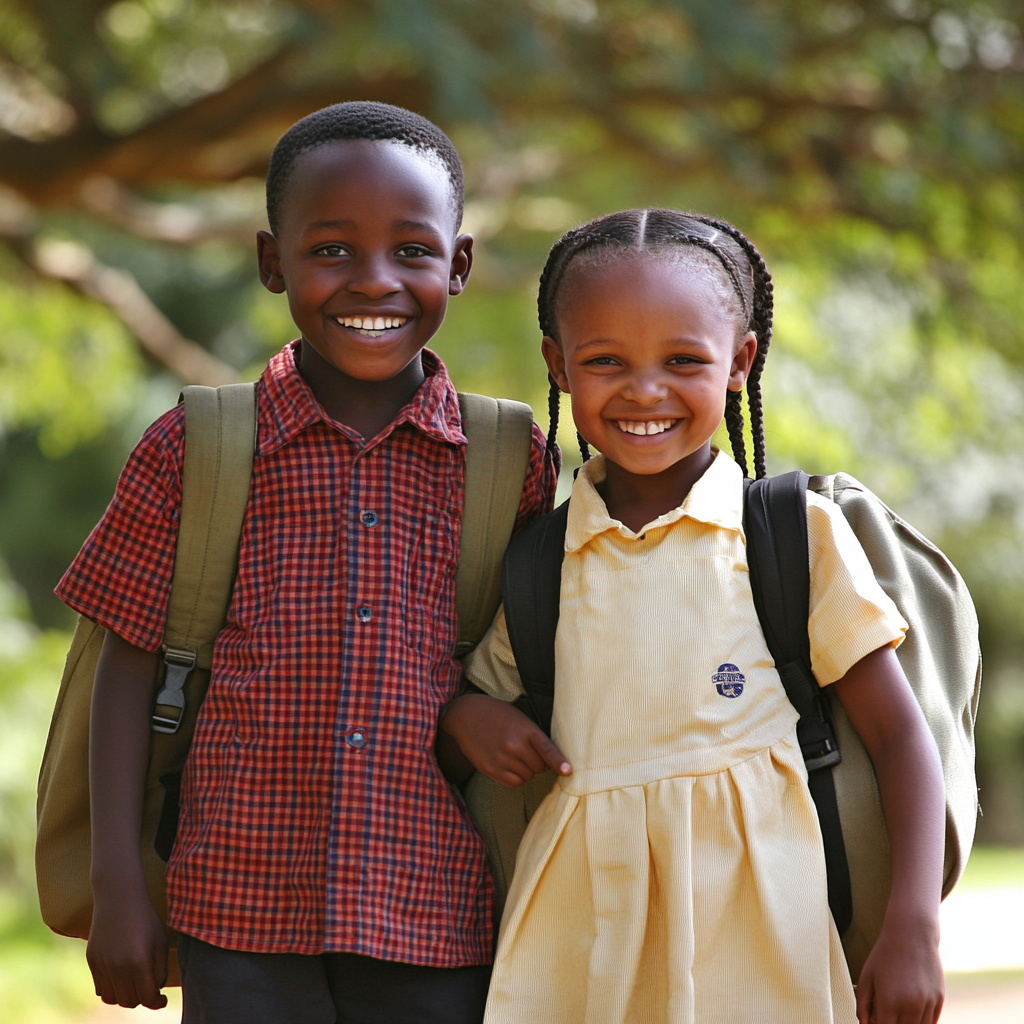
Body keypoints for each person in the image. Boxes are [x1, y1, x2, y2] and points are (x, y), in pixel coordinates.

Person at [56, 101, 558, 1024]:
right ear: (270, 260)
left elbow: (522, 661)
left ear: (459, 263)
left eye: (411, 251)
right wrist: (119, 884)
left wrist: (466, 707)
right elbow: (128, 659)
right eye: (331, 250)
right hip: (235, 903)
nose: (374, 283)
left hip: (437, 905)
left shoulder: (509, 459)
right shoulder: (197, 447)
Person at [437, 209, 946, 1024]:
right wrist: (466, 716)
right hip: (584, 939)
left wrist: (913, 925)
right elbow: (473, 704)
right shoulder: (540, 563)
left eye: (682, 360)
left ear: (740, 360)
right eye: (606, 361)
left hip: (755, 934)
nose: (645, 390)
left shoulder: (793, 536)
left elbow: (898, 737)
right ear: (557, 366)